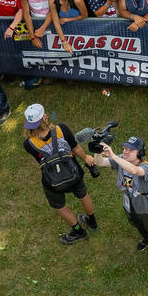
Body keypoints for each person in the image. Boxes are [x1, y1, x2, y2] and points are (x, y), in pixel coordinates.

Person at [19, 104, 100, 244]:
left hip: (52, 181)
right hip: (73, 173)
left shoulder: (28, 144)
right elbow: (76, 148)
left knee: (59, 206)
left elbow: (40, 160)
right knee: (83, 195)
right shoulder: (61, 129)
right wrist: (86, 158)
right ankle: (92, 222)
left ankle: (78, 231)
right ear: (44, 117)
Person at [96, 134, 148, 267]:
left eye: (131, 150)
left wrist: (114, 156)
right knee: (136, 222)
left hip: (145, 205)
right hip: (129, 202)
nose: (125, 152)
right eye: (125, 149)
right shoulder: (122, 159)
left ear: (140, 153)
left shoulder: (146, 167)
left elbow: (134, 170)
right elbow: (100, 162)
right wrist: (98, 152)